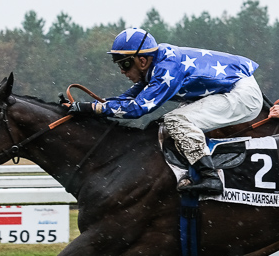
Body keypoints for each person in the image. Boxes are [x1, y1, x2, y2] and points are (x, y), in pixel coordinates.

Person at [66, 27, 262, 195]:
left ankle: (210, 177)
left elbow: (138, 109)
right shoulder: (155, 63)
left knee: (176, 120)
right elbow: (129, 98)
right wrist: (88, 108)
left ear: (142, 61)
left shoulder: (167, 68)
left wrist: (92, 108)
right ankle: (188, 171)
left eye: (125, 64)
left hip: (241, 93)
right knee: (164, 124)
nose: (122, 71)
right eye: (118, 64)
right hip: (228, 89)